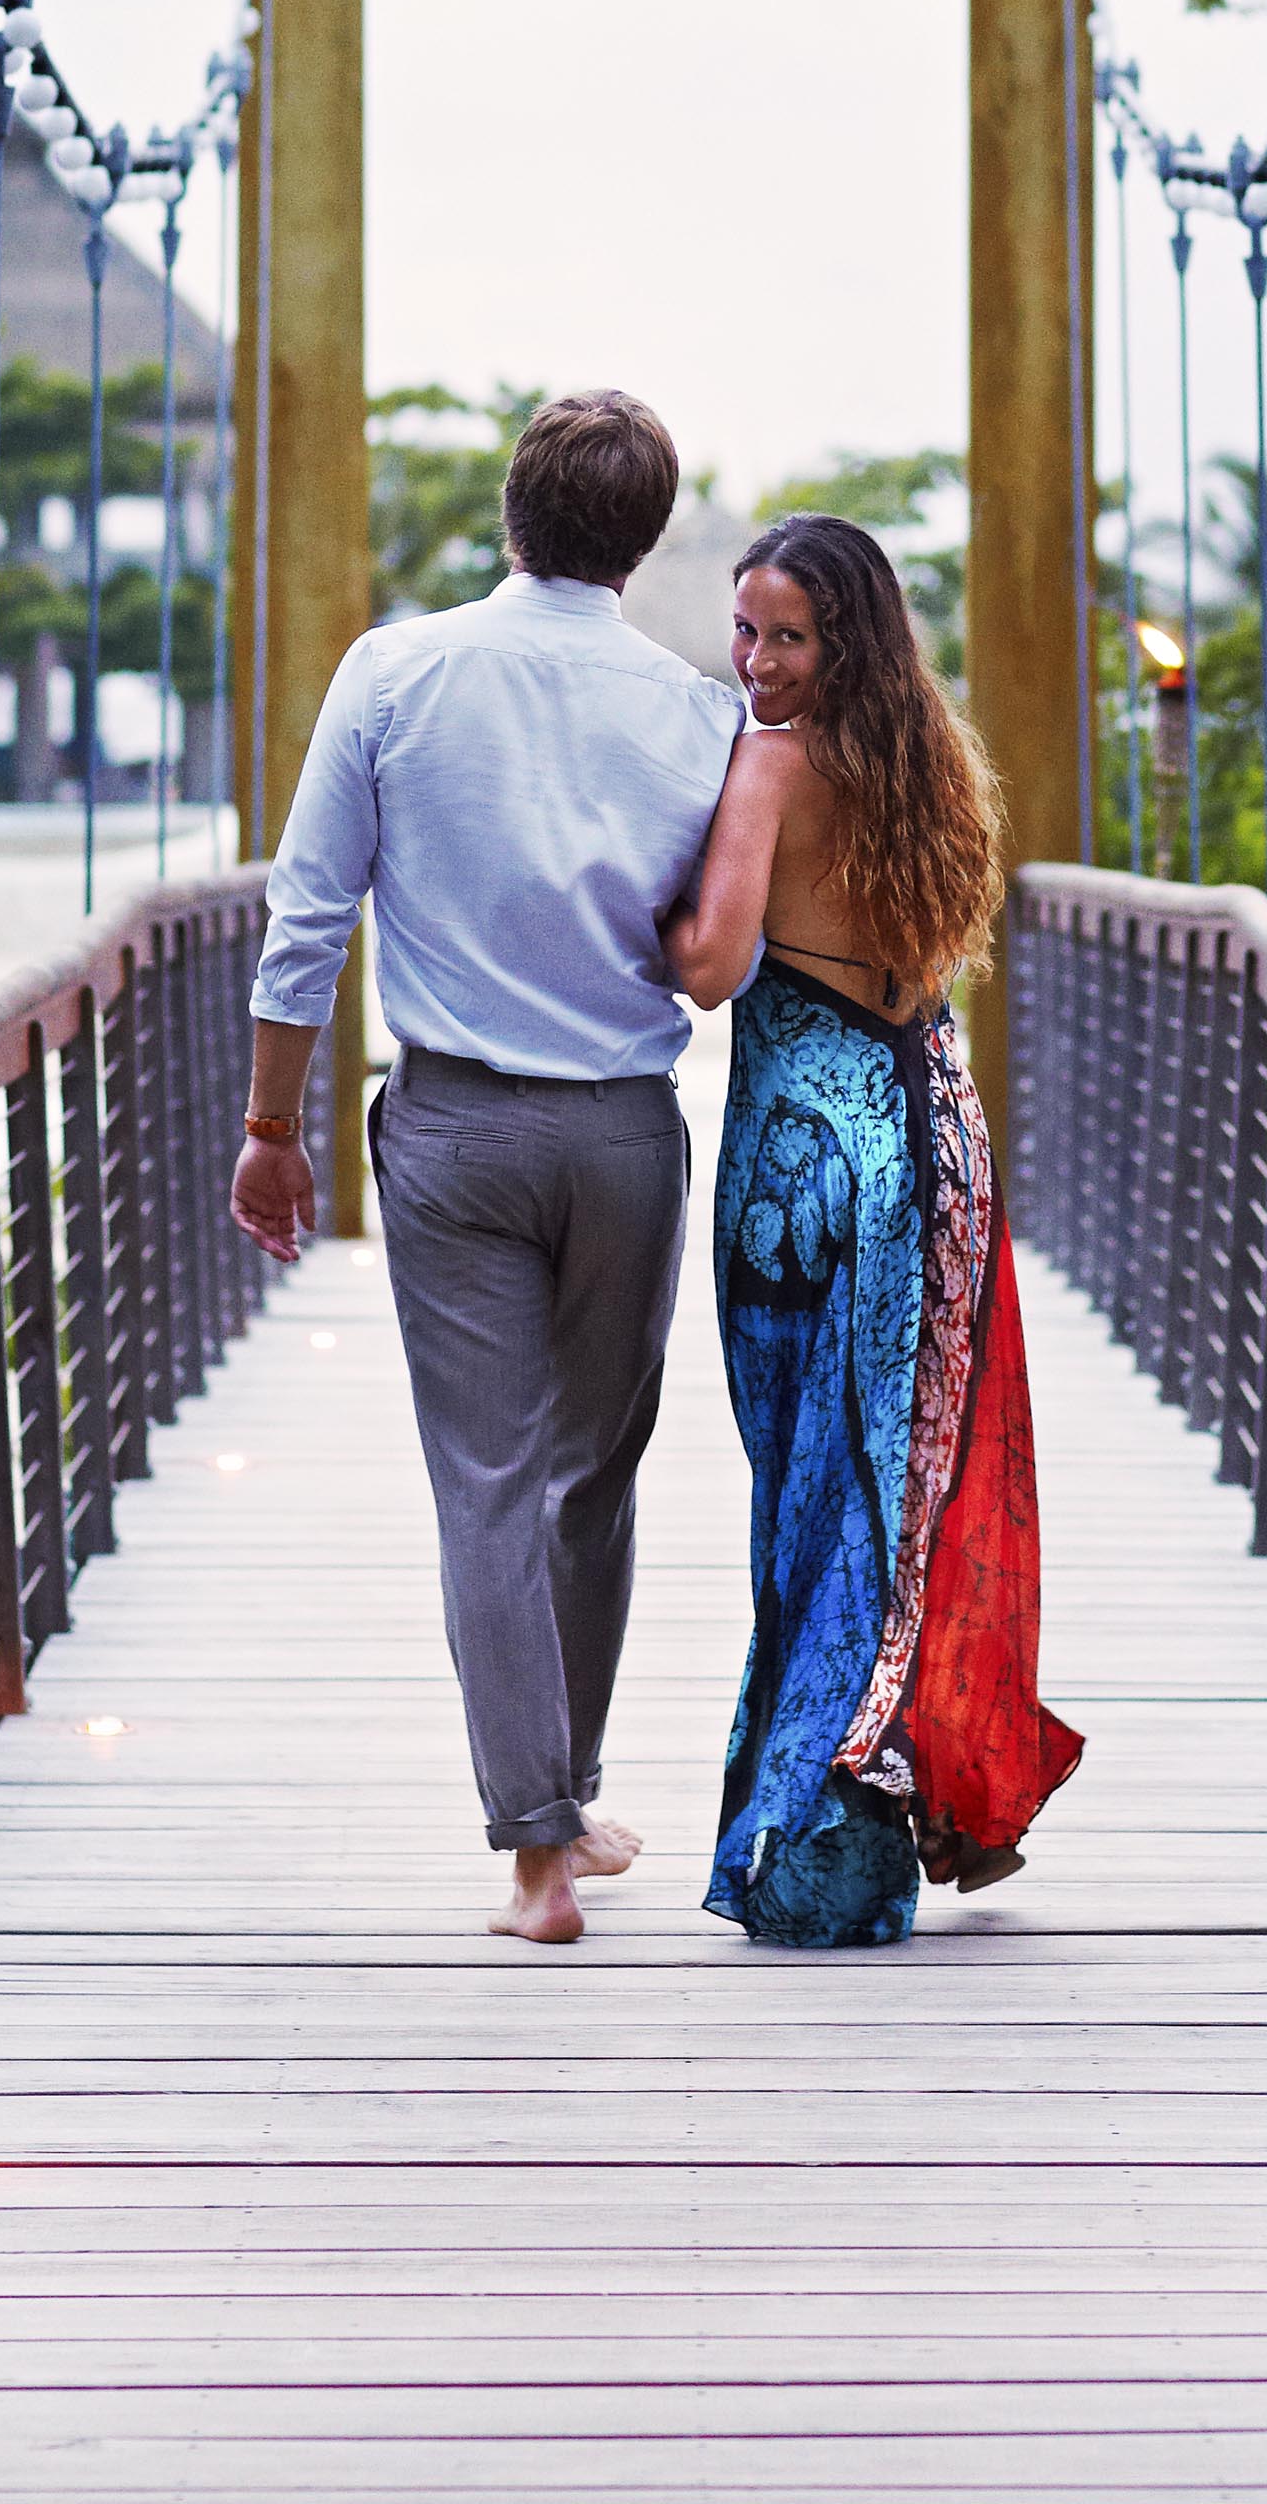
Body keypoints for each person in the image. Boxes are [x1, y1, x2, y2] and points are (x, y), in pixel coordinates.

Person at [236, 391, 740, 1946]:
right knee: (594, 1475)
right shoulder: (700, 712)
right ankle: (563, 1797)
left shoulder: (396, 670)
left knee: (487, 1484)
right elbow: (726, 947)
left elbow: (308, 919)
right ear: (644, 536)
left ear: (511, 510)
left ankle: (539, 1844)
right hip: (623, 1135)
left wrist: (271, 1129)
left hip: (450, 1129)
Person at [664, 512, 1083, 1948]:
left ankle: (815, 1848)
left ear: (845, 640)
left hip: (810, 1179)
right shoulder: (930, 762)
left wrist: (611, 900)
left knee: (815, 1491)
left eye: (789, 635)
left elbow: (714, 968)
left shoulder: (771, 765)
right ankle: (887, 1799)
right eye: (746, 631)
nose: (759, 662)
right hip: (937, 1141)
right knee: (902, 1484)